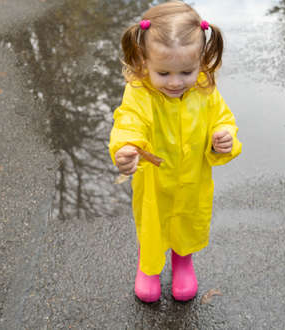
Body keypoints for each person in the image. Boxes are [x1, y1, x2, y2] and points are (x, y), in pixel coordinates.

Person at [108, 1, 242, 303]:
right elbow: (129, 120)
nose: (175, 82)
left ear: (202, 61)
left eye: (186, 71)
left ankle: (183, 261)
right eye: (164, 72)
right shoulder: (141, 91)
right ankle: (149, 265)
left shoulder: (205, 88)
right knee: (154, 223)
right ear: (144, 60)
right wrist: (126, 146)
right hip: (154, 182)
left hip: (192, 177)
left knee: (187, 219)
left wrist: (223, 137)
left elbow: (222, 119)